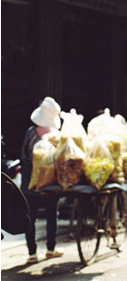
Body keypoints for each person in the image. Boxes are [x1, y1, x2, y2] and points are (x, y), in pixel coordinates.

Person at [20, 97, 65, 263]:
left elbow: (24, 155)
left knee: (30, 216)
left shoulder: (31, 132)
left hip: (29, 183)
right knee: (52, 214)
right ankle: (51, 249)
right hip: (49, 182)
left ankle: (32, 253)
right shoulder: (57, 135)